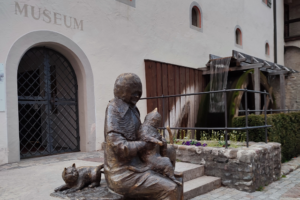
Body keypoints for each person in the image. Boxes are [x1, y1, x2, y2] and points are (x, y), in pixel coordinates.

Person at [103, 73, 182, 200]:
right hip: (122, 172)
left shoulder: (133, 109)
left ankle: (167, 176)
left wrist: (156, 139)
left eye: (139, 93)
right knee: (172, 189)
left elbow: (141, 134)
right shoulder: (114, 109)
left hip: (138, 162)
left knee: (170, 151)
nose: (137, 96)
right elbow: (119, 147)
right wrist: (145, 144)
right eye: (133, 92)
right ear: (122, 91)